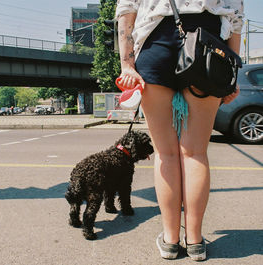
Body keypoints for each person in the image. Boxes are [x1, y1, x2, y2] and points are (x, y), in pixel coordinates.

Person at [115, 0, 243, 261]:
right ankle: (195, 241)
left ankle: (171, 240)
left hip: (155, 40)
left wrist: (127, 64)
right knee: (195, 153)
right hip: (207, 43)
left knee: (165, 153)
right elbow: (236, 14)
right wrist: (231, 72)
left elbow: (126, 10)